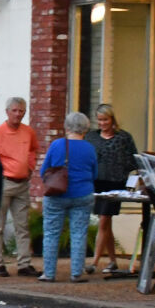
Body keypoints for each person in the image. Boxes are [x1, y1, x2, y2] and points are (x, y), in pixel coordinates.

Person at [39, 113, 98, 283]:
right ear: (85, 128)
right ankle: (76, 273)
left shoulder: (57, 145)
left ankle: (49, 273)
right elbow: (94, 173)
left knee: (51, 233)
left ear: (66, 127)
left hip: (57, 195)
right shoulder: (89, 148)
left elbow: (44, 171)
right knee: (79, 233)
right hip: (83, 194)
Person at [0, 97, 40, 278]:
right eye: (15, 110)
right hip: (4, 182)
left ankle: (24, 263)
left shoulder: (28, 132)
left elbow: (33, 150)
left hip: (22, 183)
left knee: (22, 225)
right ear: (7, 112)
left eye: (22, 111)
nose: (18, 114)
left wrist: (30, 167)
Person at [89, 104, 139, 276]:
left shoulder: (123, 137)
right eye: (100, 120)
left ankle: (94, 262)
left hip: (115, 184)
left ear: (112, 119)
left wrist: (123, 171)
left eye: (105, 120)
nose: (102, 123)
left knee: (104, 220)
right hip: (98, 183)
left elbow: (134, 159)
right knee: (106, 222)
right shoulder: (92, 137)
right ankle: (112, 261)